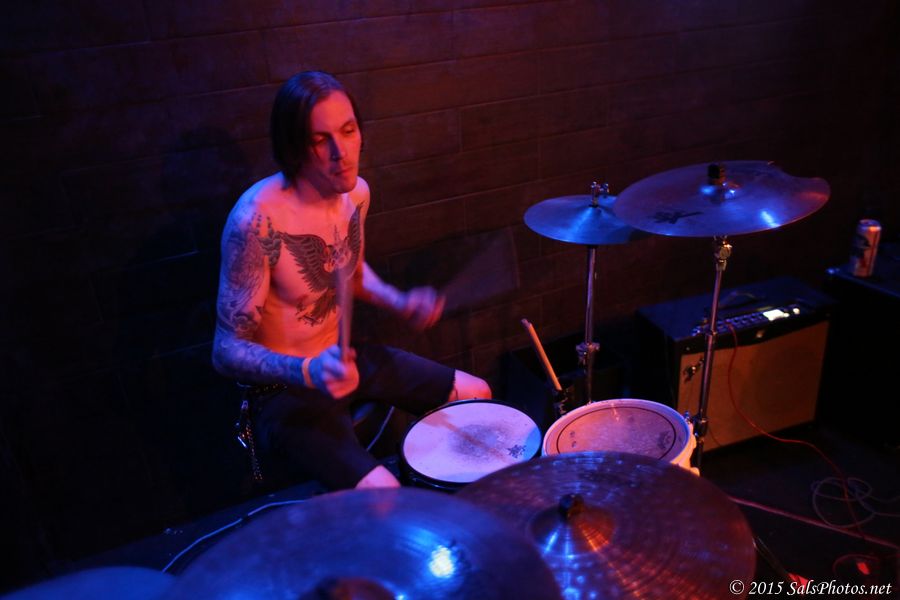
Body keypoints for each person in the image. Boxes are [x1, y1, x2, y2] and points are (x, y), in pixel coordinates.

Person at [212, 71, 491, 491]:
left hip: (343, 359)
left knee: (477, 394)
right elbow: (225, 351)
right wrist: (309, 370)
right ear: (294, 147)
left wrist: (398, 301)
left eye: (348, 130)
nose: (340, 152)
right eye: (319, 139)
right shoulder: (257, 221)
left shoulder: (355, 195)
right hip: (283, 389)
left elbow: (351, 272)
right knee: (385, 493)